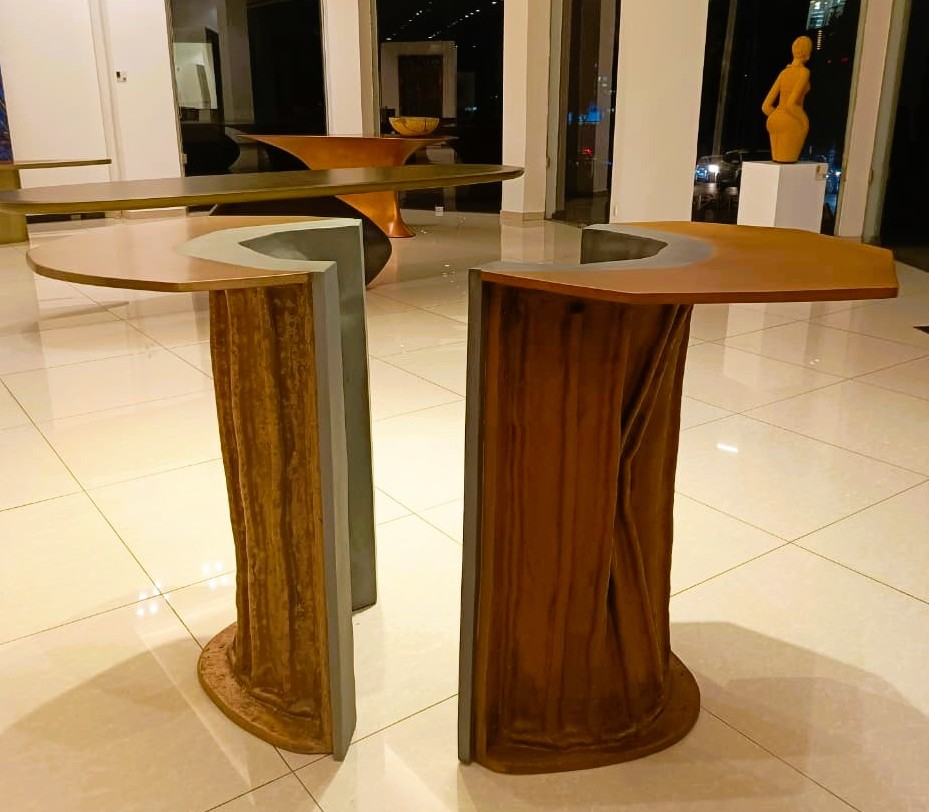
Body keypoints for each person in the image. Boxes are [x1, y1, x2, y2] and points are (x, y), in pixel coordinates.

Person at [762, 36, 813, 163]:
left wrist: (777, 115)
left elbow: (765, 107)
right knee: (786, 161)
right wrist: (804, 121)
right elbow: (791, 104)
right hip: (791, 120)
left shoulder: (784, 73)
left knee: (777, 161)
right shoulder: (804, 72)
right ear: (807, 54)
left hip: (774, 119)